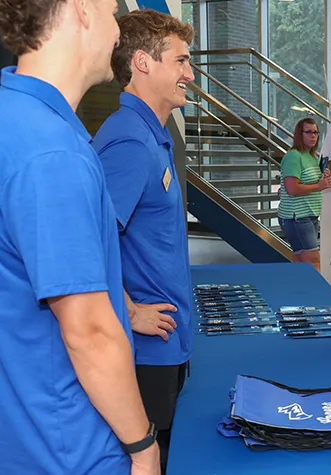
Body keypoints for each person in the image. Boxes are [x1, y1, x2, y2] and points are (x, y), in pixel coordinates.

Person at [0, 1, 159, 474]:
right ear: (82, 9)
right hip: (70, 448)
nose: (117, 31)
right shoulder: (51, 152)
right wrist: (143, 446)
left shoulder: (14, 116)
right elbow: (88, 331)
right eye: (112, 12)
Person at [91, 10, 195, 474]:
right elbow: (89, 242)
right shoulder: (131, 142)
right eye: (181, 61)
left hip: (165, 339)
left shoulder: (152, 137)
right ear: (143, 62)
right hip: (143, 349)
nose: (189, 74)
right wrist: (132, 311)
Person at [279, 117, 331, 272]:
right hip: (296, 217)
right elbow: (292, 189)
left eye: (315, 132)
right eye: (308, 132)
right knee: (313, 261)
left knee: (300, 260)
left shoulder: (313, 157)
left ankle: (299, 294)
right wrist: (319, 185)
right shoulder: (293, 156)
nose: (313, 136)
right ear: (299, 134)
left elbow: (298, 183)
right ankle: (316, 295)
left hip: (310, 214)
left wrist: (323, 176)